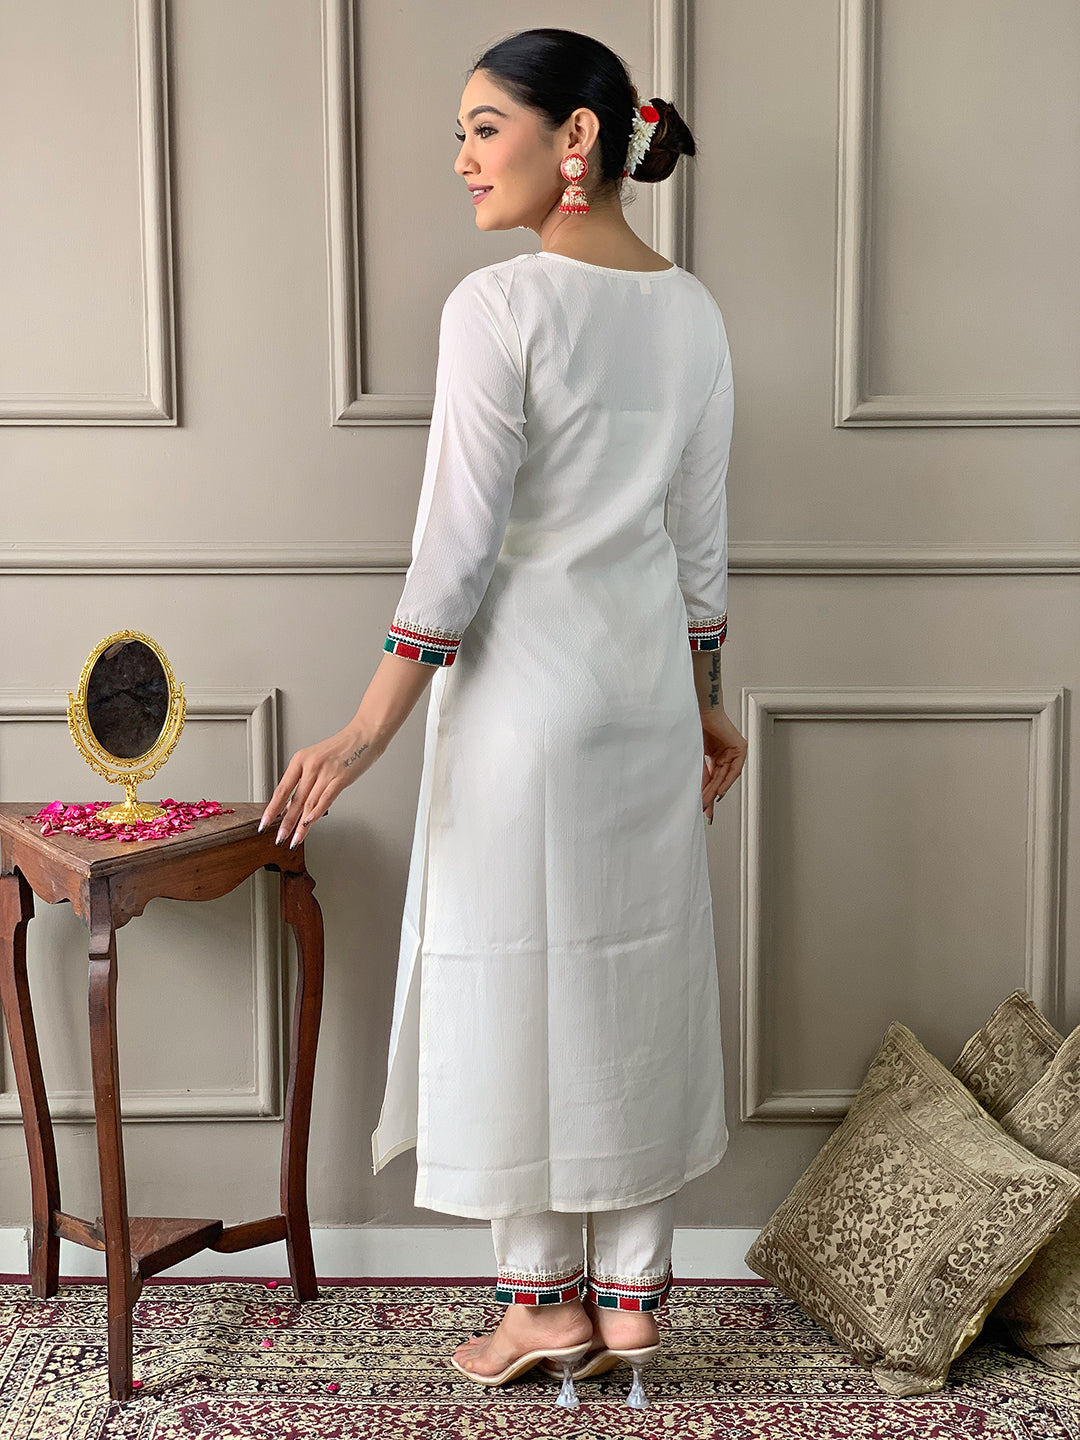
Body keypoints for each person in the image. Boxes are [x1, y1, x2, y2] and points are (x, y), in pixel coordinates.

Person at [260, 26, 747, 1411]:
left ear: (574, 140)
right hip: (647, 697)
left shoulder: (499, 307)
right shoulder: (696, 311)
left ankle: (542, 1308)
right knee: (631, 974)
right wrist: (706, 706)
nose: (464, 157)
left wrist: (362, 731)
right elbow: (702, 551)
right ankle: (635, 1301)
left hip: (528, 707)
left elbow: (456, 556)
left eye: (486, 127)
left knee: (519, 980)